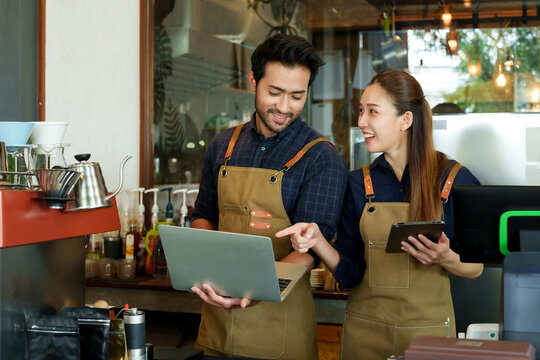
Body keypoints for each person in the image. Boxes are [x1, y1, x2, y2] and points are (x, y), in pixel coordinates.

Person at [276, 70, 484, 359]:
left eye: (372, 111)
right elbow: (350, 275)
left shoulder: (454, 179)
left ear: (406, 120)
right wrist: (317, 241)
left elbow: (476, 268)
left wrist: (445, 258)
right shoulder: (356, 184)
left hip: (429, 336)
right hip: (364, 335)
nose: (361, 122)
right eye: (361, 111)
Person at [190, 34, 348, 359]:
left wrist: (251, 292)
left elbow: (308, 250)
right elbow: (204, 215)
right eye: (274, 92)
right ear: (253, 81)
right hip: (216, 319)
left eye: (297, 96)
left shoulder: (321, 157)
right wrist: (205, 269)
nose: (284, 107)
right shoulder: (222, 145)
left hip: (280, 326)